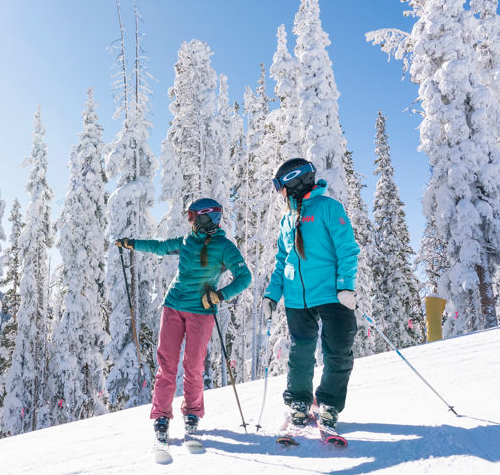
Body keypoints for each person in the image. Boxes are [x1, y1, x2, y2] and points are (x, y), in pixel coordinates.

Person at [116, 198, 252, 444]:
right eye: (188, 216)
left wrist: (220, 296)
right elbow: (159, 247)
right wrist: (132, 244)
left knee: (193, 366)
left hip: (201, 312)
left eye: (192, 216)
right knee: (166, 364)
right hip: (173, 307)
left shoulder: (224, 247)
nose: (189, 221)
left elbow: (244, 277)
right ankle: (161, 416)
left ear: (206, 217)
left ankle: (192, 412)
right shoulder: (186, 242)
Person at [261, 158, 360, 430]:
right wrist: (273, 294)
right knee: (301, 352)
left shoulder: (329, 208)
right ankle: (299, 401)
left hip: (332, 295)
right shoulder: (287, 219)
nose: (280, 193)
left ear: (295, 181)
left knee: (338, 350)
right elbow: (283, 261)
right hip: (297, 299)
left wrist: (345, 286)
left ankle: (328, 402)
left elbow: (347, 249)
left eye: (281, 187)